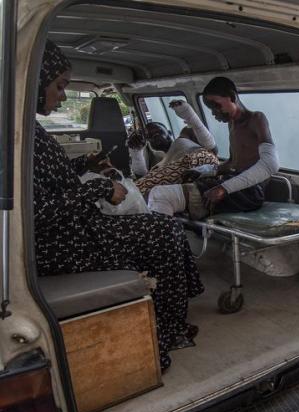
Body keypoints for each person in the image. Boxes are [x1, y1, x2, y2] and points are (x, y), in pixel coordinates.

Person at [33, 40, 204, 371]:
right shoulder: (12, 135)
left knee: (164, 227)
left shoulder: (29, 130)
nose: (63, 96)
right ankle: (165, 333)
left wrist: (87, 163)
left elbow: (50, 180)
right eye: (59, 86)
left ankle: (173, 315)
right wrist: (99, 187)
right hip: (59, 244)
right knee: (163, 230)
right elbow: (38, 212)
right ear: (37, 81)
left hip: (73, 230)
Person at [147, 77, 278, 218]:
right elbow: (233, 162)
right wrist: (203, 172)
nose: (214, 112)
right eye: (210, 108)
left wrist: (224, 188)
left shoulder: (256, 119)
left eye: (216, 105)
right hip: (233, 184)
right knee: (161, 194)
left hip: (249, 192)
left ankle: (166, 234)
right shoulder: (232, 125)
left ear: (232, 97)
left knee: (159, 195)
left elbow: (271, 164)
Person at [130, 101, 219, 197]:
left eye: (158, 132)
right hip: (181, 187)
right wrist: (136, 153)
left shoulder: (185, 135)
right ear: (147, 142)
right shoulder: (159, 166)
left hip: (201, 163)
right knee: (137, 189)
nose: (155, 136)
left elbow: (213, 150)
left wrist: (189, 115)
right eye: (150, 136)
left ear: (169, 132)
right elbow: (144, 179)